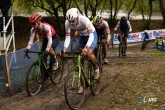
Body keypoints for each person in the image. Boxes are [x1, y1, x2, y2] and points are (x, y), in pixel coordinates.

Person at [61, 8, 99, 80]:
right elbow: (68, 36)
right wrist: (65, 48)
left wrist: (86, 47)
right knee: (79, 58)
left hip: (92, 35)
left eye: (73, 21)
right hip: (82, 37)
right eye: (70, 21)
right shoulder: (67, 23)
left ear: (77, 17)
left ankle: (96, 68)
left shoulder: (84, 20)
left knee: (88, 53)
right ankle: (82, 83)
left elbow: (91, 35)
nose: (71, 23)